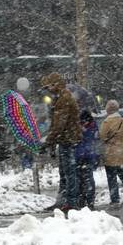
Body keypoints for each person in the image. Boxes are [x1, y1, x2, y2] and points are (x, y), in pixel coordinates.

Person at [41, 72, 82, 212]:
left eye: (49, 87)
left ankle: (70, 202)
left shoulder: (63, 99)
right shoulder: (60, 98)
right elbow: (56, 124)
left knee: (69, 173)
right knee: (65, 172)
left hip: (67, 140)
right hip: (65, 139)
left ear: (55, 85)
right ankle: (63, 201)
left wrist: (48, 142)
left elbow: (59, 124)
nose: (48, 90)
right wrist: (51, 143)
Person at [99, 100, 123, 206]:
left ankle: (115, 198)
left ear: (108, 109)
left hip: (111, 152)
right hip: (122, 151)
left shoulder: (107, 122)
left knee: (111, 175)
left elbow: (102, 137)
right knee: (121, 170)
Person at [75, 110, 98, 210]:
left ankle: (88, 201)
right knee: (82, 180)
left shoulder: (91, 128)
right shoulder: (92, 127)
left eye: (84, 121)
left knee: (87, 179)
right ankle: (84, 200)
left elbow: (88, 141)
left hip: (85, 156)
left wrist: (81, 131)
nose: (83, 123)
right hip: (83, 156)